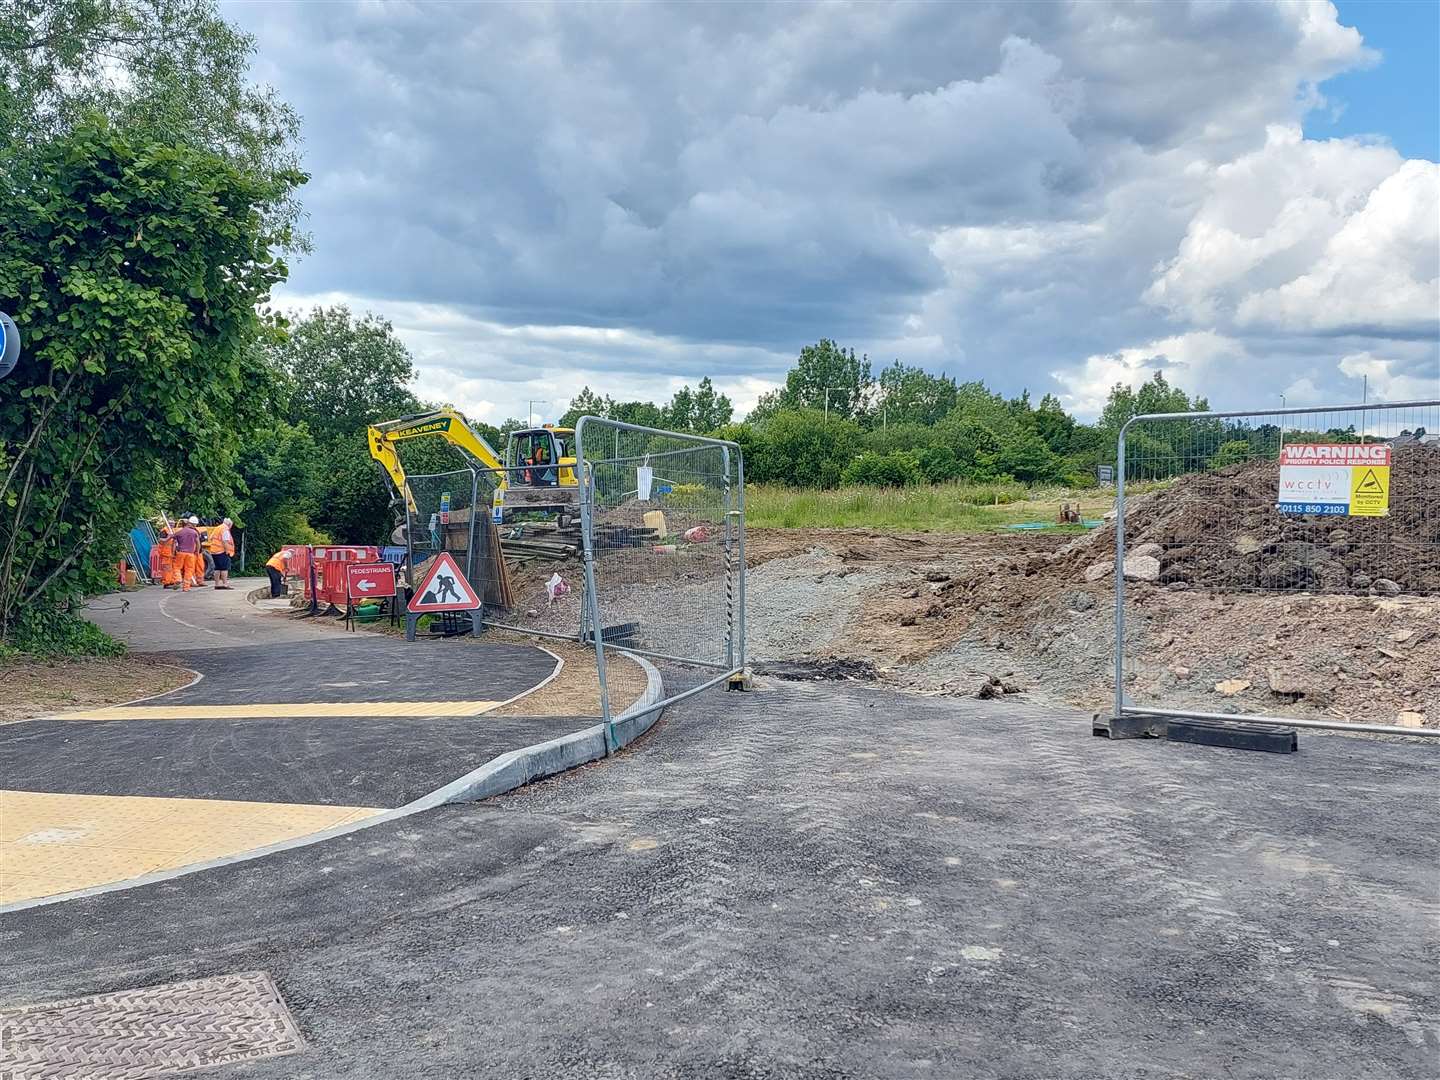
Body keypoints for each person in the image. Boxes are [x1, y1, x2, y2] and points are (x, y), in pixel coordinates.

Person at [173, 516, 204, 590]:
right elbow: (198, 543)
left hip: (181, 553)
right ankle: (186, 587)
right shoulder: (195, 532)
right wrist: (197, 552)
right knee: (189, 570)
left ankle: (178, 579)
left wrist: (173, 552)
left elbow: (174, 543)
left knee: (177, 567)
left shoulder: (179, 532)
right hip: (190, 554)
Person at [206, 517, 236, 589]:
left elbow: (211, 538)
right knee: (224, 568)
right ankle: (225, 584)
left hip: (214, 551)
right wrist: (227, 551)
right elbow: (225, 541)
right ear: (229, 524)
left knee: (217, 568)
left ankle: (217, 584)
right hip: (221, 551)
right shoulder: (225, 529)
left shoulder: (218, 528)